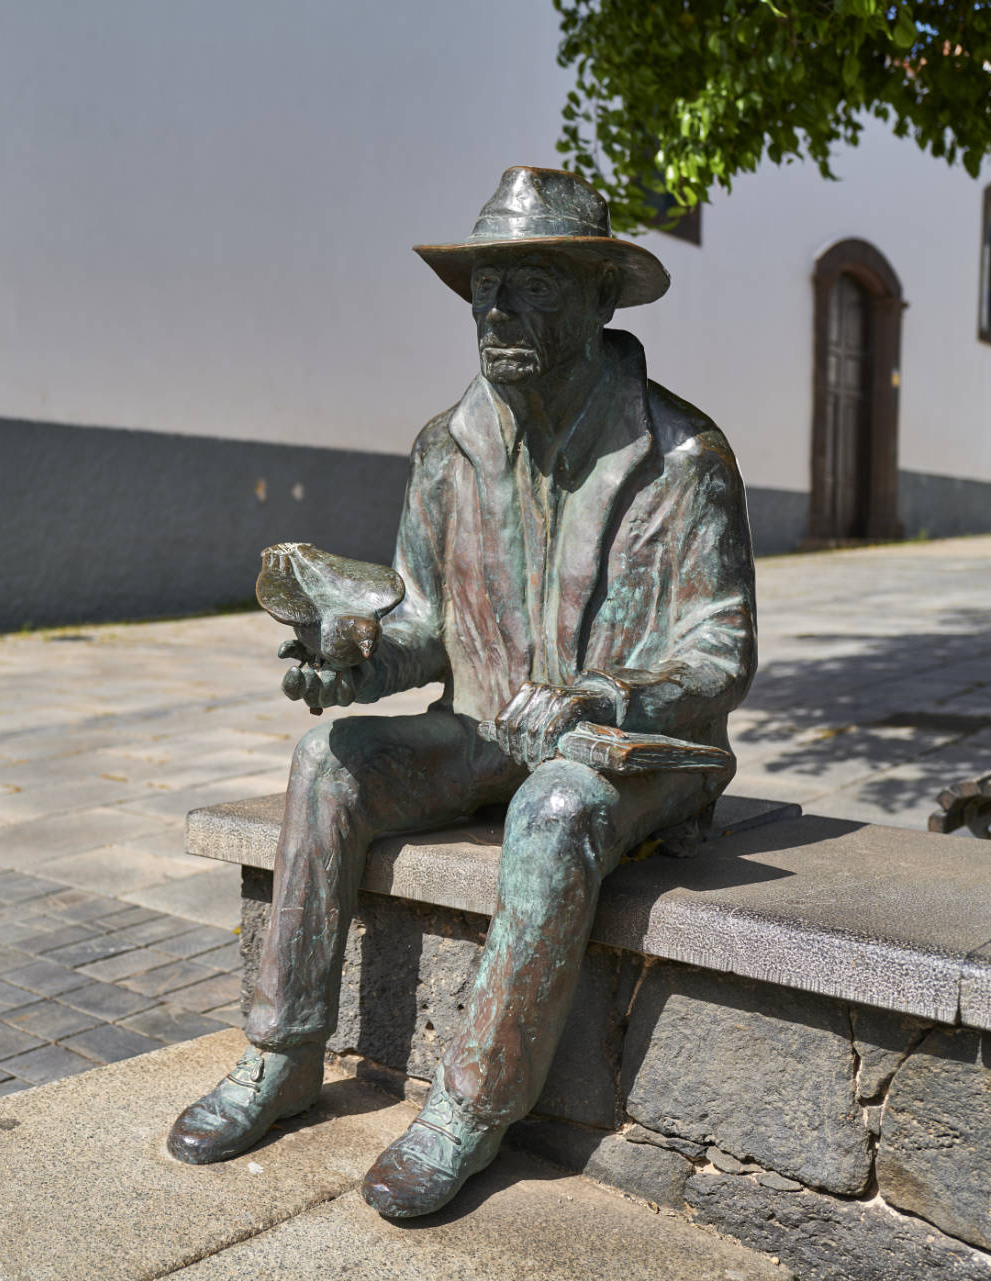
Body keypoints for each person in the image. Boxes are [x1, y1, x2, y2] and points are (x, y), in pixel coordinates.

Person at [167, 166, 758, 1219]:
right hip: (484, 729)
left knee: (560, 805)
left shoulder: (680, 455)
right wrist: (353, 661)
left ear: (598, 301)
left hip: (638, 755)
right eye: (488, 288)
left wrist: (600, 697)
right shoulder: (446, 448)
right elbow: (426, 629)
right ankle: (284, 1052)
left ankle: (470, 1107)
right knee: (328, 762)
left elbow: (719, 653)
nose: (498, 311)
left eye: (531, 286)